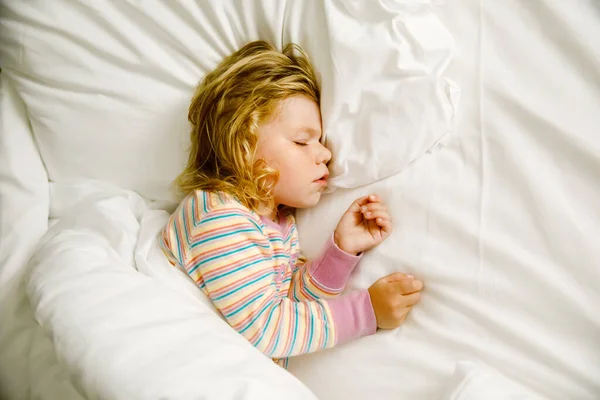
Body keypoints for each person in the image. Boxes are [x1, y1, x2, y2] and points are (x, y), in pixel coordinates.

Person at [160, 40, 423, 367]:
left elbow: (291, 308)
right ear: (243, 146)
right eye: (302, 141)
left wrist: (341, 250)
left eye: (321, 141)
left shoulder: (276, 222)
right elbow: (267, 329)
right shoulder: (217, 217)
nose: (325, 154)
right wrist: (366, 312)